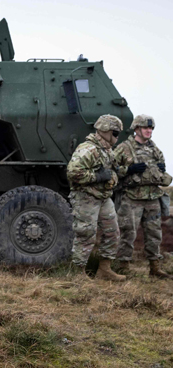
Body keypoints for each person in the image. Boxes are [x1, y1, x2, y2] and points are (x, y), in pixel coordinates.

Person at [113, 114, 173, 278]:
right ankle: (123, 267)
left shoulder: (155, 149)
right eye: (146, 128)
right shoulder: (124, 148)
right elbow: (111, 170)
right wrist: (129, 170)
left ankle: (155, 268)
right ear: (137, 129)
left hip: (152, 198)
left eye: (151, 128)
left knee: (154, 234)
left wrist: (161, 169)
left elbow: (160, 172)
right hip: (131, 198)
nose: (149, 131)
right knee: (128, 233)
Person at [67, 114, 124, 281]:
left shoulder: (106, 149)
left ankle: (104, 270)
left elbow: (111, 171)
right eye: (115, 133)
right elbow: (73, 172)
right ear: (105, 131)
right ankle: (78, 273)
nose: (116, 137)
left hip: (103, 197)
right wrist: (97, 177)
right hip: (86, 197)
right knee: (85, 233)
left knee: (112, 232)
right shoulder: (88, 149)